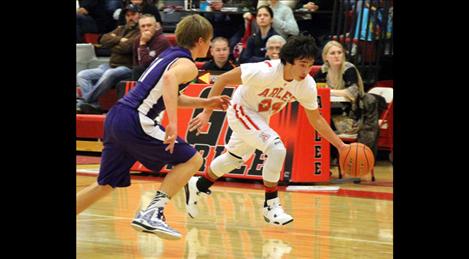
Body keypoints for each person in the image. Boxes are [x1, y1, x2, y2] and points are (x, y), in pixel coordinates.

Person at [76, 14, 231, 240]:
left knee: (106, 184)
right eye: (209, 41)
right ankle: (152, 212)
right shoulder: (187, 64)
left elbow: (168, 92)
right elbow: (169, 81)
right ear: (200, 40)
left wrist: (205, 102)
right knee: (193, 159)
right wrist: (173, 124)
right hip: (136, 119)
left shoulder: (169, 55)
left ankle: (151, 212)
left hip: (117, 116)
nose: (209, 45)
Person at [185, 34, 349, 225]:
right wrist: (207, 112)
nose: (306, 70)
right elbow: (222, 79)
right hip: (241, 108)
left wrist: (341, 146)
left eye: (310, 64)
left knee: (234, 159)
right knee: (277, 148)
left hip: (260, 117)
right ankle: (271, 205)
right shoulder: (264, 71)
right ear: (288, 61)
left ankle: (198, 184)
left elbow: (317, 120)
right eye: (302, 64)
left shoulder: (306, 85)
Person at [314, 40, 382, 158]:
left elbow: (352, 92)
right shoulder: (323, 70)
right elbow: (314, 89)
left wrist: (328, 91)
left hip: (353, 117)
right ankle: (322, 162)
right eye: (332, 53)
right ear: (325, 57)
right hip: (333, 112)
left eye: (339, 52)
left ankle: (328, 160)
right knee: (315, 123)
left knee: (321, 125)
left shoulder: (348, 68)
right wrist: (338, 92)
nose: (336, 56)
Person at [77, 4, 141, 114]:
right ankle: (94, 105)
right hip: (111, 65)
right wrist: (120, 40)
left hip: (128, 68)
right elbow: (102, 39)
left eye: (133, 14)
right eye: (128, 15)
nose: (130, 17)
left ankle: (84, 101)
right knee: (82, 75)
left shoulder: (140, 32)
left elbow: (127, 47)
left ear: (139, 15)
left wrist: (113, 42)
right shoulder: (120, 29)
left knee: (110, 73)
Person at [132, 14, 171, 80]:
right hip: (141, 73)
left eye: (149, 25)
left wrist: (143, 44)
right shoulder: (137, 40)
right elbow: (136, 61)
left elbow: (147, 64)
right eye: (143, 26)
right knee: (120, 81)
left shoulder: (162, 41)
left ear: (155, 26)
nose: (146, 28)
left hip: (159, 73)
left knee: (138, 70)